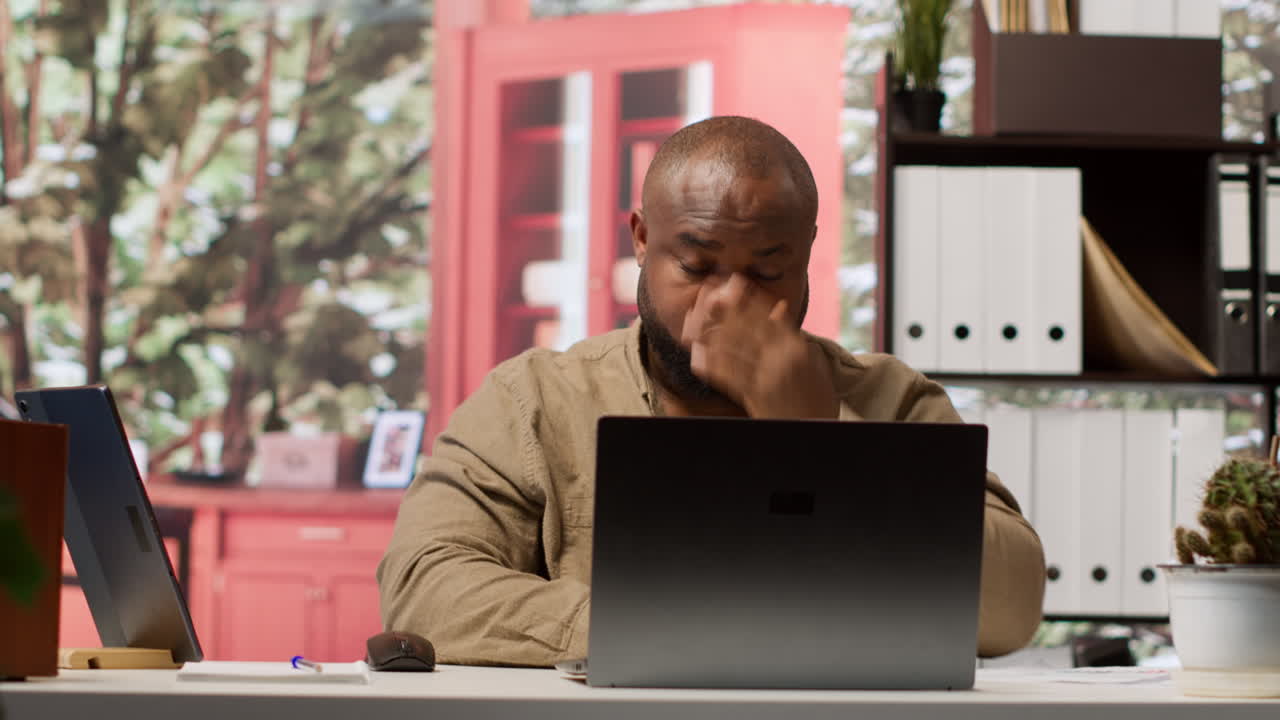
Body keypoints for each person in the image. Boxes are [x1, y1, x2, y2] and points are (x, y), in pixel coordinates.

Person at [378, 116, 1046, 667]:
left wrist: (826, 441)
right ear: (641, 240)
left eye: (769, 270)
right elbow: (424, 584)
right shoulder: (536, 400)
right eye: (696, 265)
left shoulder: (892, 402)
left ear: (808, 252)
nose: (728, 300)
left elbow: (1012, 607)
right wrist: (651, 627)